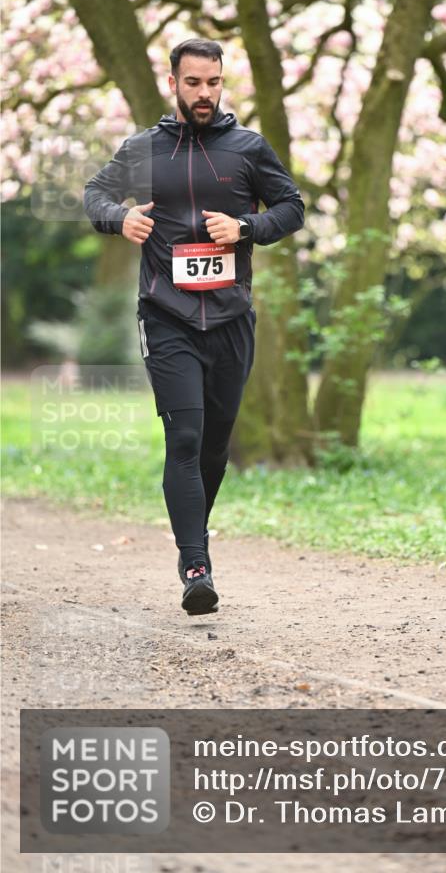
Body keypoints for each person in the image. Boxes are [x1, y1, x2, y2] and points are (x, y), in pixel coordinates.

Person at [83, 38, 305, 616]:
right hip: (166, 314)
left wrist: (247, 228)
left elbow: (293, 207)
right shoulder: (144, 148)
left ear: (221, 83)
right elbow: (95, 194)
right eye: (193, 83)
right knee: (183, 438)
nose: (203, 94)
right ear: (174, 83)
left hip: (231, 318)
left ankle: (190, 535)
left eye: (213, 83)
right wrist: (120, 217)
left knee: (213, 445)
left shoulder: (248, 148)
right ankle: (196, 565)